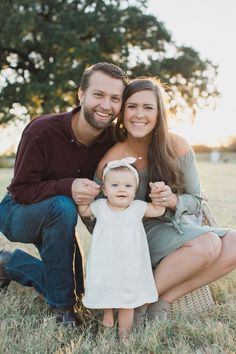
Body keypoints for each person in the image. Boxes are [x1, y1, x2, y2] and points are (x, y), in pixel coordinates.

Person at [95, 77, 236, 325]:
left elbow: (196, 199)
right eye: (132, 106)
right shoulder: (112, 158)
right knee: (208, 244)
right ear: (122, 112)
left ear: (159, 112)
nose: (139, 115)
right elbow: (99, 213)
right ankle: (136, 303)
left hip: (175, 226)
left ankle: (161, 300)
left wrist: (172, 200)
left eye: (148, 107)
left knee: (234, 242)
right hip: (137, 234)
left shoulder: (177, 146)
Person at [0, 62, 127, 327]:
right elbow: (21, 190)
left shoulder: (112, 141)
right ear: (81, 94)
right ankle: (62, 310)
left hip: (60, 221)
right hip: (17, 212)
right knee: (62, 205)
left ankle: (9, 262)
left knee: (78, 290)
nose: (106, 105)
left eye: (115, 98)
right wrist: (67, 186)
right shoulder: (42, 131)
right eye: (98, 95)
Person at [78, 157, 165, 339]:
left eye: (127, 186)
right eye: (115, 185)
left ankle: (124, 338)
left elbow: (158, 211)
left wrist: (158, 194)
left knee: (128, 300)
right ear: (104, 189)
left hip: (129, 263)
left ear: (135, 190)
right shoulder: (100, 206)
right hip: (105, 259)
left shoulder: (138, 207)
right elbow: (84, 211)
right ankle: (107, 312)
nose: (121, 189)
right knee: (105, 285)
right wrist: (84, 199)